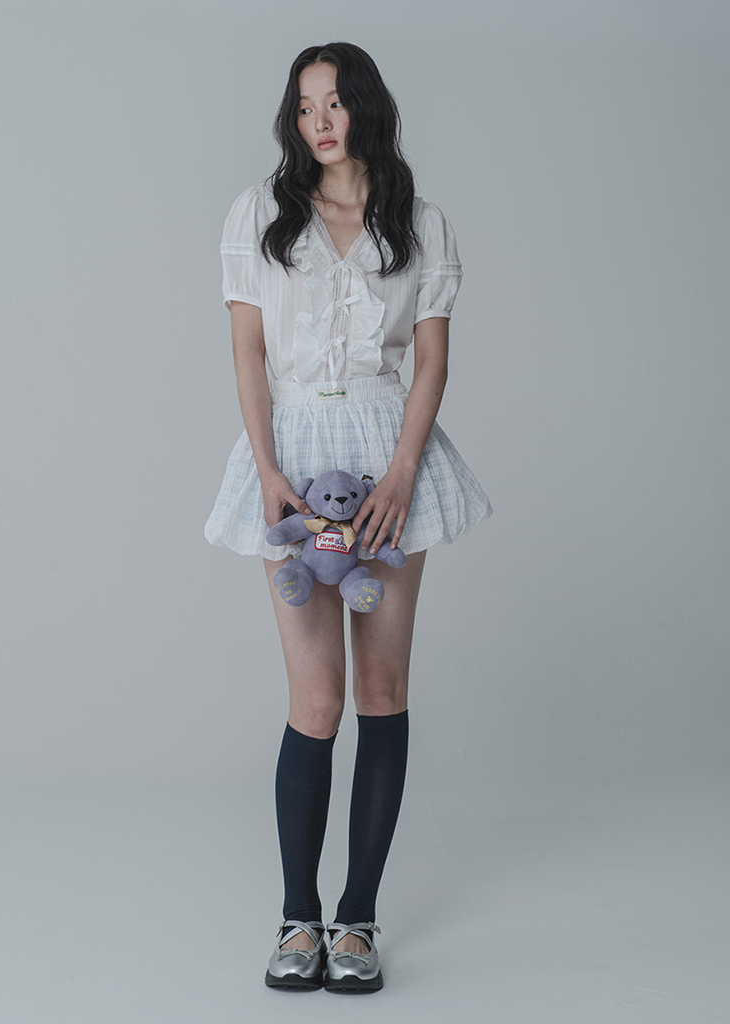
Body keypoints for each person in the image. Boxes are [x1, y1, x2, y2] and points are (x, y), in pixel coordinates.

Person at [204, 41, 493, 993]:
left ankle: (357, 919)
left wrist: (403, 472)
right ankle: (299, 916)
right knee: (317, 701)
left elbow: (432, 361)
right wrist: (267, 468)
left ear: (365, 107)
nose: (319, 121)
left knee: (380, 687)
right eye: (304, 106)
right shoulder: (260, 215)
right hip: (292, 455)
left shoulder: (420, 222)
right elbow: (248, 356)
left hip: (387, 449)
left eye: (333, 102)